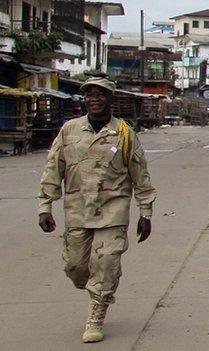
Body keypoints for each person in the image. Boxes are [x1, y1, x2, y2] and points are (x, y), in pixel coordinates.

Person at [37, 77, 157, 343]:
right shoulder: (69, 130)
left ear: (110, 100)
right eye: (89, 95)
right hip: (77, 211)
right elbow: (53, 168)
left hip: (112, 211)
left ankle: (96, 313)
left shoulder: (125, 134)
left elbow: (140, 175)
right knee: (76, 267)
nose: (94, 99)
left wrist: (145, 212)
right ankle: (100, 281)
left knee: (105, 263)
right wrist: (45, 206)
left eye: (100, 95)